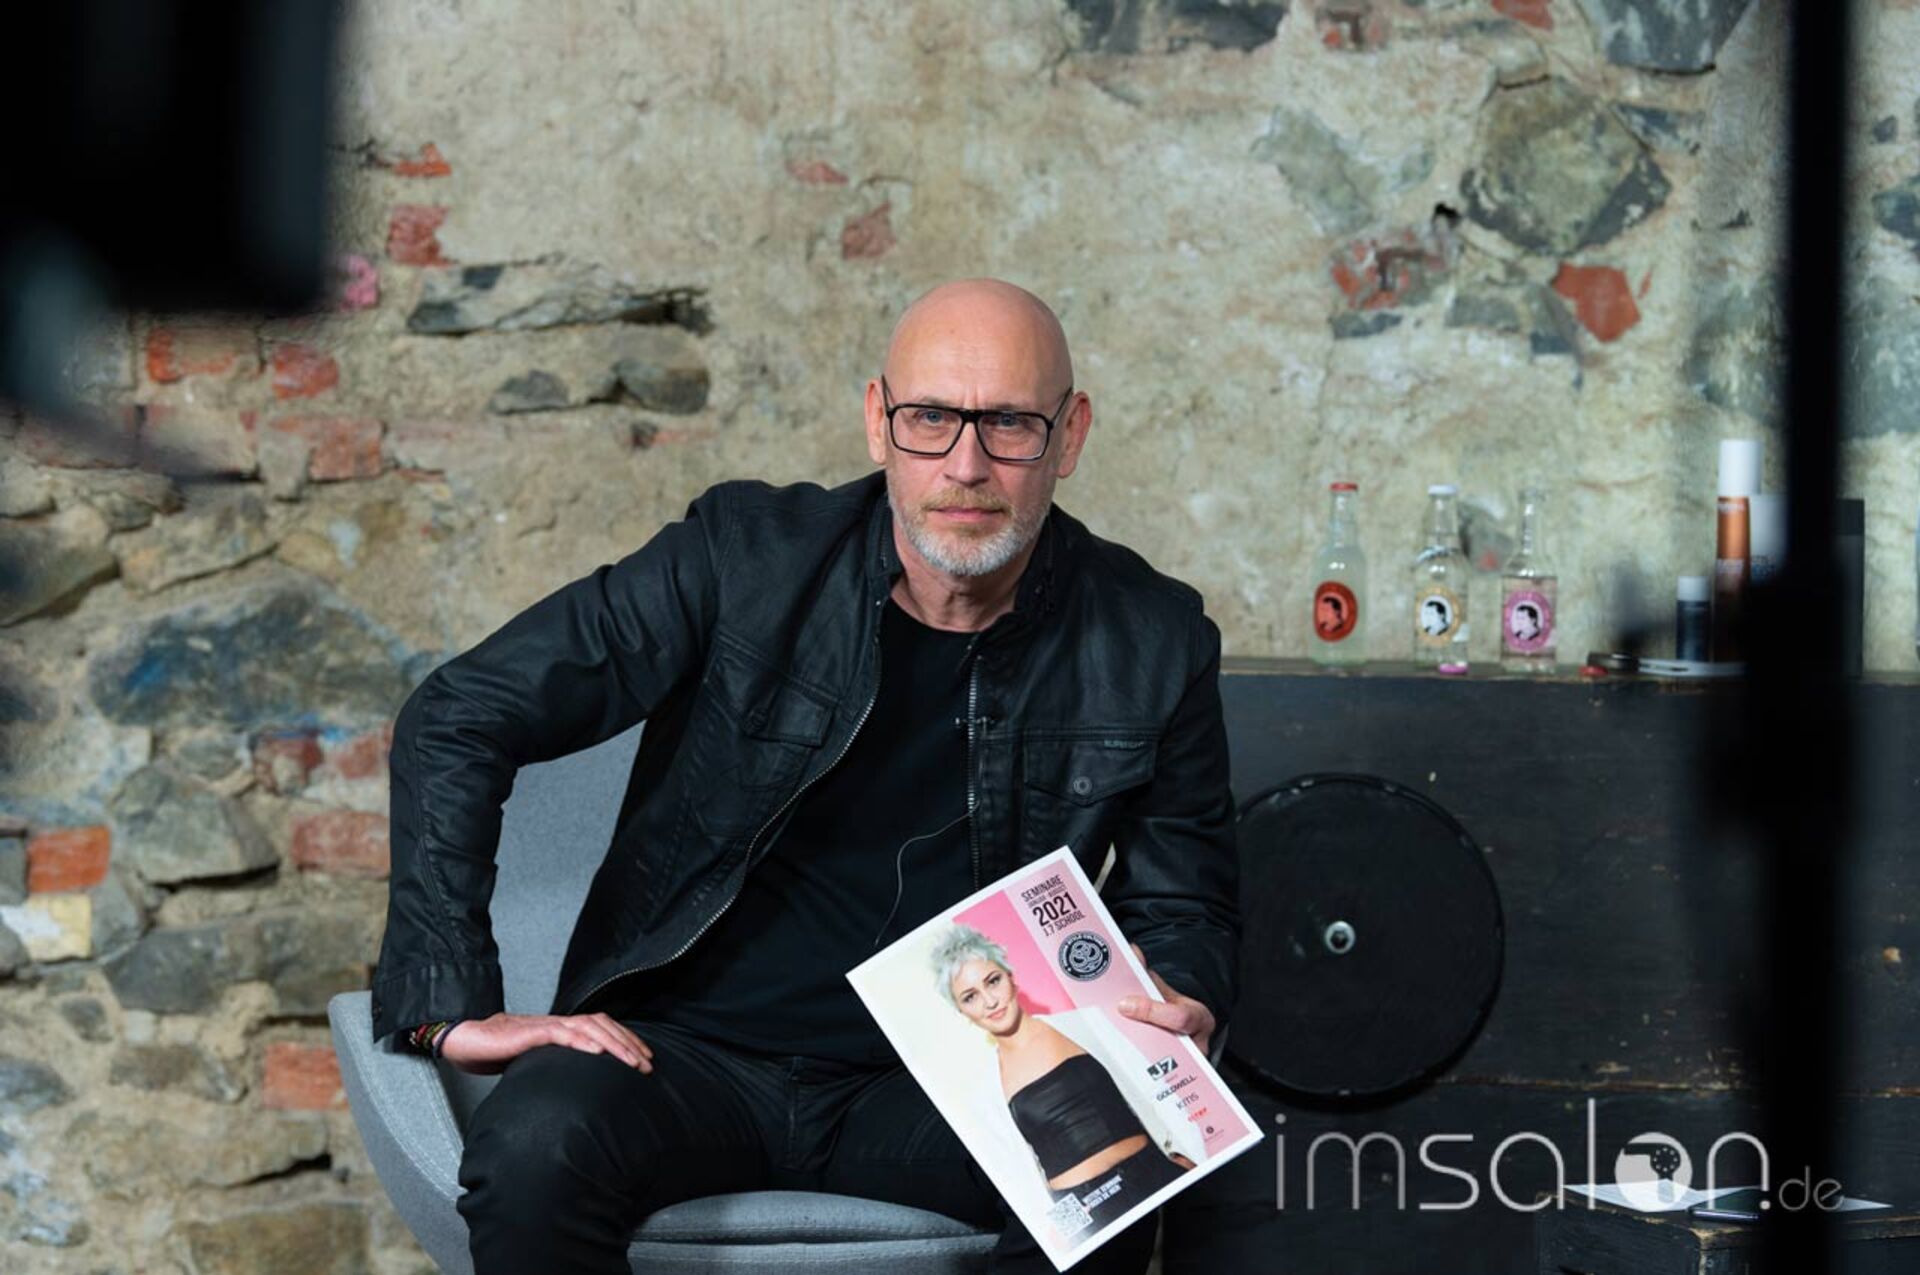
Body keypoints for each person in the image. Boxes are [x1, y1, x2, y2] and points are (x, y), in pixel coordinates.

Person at [369, 277, 1239, 1275]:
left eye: (1009, 423)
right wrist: (452, 999)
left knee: (1126, 1172)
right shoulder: (741, 558)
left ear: (1069, 434)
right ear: (878, 421)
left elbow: (1187, 904)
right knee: (533, 1144)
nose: (966, 465)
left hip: (940, 1078)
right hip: (683, 1057)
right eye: (930, 419)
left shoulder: (1154, 636)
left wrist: (1179, 995)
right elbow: (459, 713)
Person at [931, 925, 1196, 1250]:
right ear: (961, 1011)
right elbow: (1018, 1170)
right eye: (970, 997)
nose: (989, 1001)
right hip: (1084, 1208)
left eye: (993, 981)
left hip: (1153, 1168)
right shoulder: (984, 1089)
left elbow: (1149, 1081)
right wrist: (1053, 1225)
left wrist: (1183, 1150)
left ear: (1010, 976)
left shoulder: (1085, 1023)